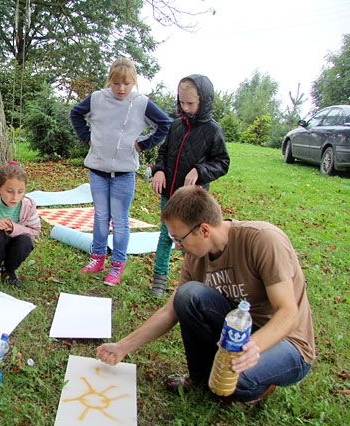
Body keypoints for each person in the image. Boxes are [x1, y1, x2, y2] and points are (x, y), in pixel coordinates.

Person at [97, 186, 315, 405]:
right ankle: (200, 377)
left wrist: (253, 347)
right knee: (187, 294)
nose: (178, 247)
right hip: (236, 329)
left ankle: (259, 385)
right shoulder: (195, 257)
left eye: (179, 239)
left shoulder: (263, 240)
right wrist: (123, 347)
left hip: (286, 340)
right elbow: (169, 311)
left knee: (234, 379)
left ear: (204, 230)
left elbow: (288, 313)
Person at [70, 58, 171, 286]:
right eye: (116, 83)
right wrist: (88, 138)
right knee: (100, 216)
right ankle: (97, 258)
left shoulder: (141, 103)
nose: (121, 88)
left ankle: (117, 265)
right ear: (110, 81)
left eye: (126, 83)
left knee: (120, 220)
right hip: (98, 169)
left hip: (124, 173)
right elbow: (75, 114)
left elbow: (165, 124)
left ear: (133, 82)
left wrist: (143, 144)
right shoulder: (97, 99)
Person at [149, 75, 230, 297]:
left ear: (204, 101)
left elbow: (222, 162)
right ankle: (159, 279)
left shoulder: (213, 130)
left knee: (193, 241)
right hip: (170, 194)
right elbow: (163, 154)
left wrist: (200, 170)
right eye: (181, 102)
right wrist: (158, 170)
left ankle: (194, 283)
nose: (185, 108)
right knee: (167, 235)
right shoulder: (176, 126)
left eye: (190, 103)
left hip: (194, 198)